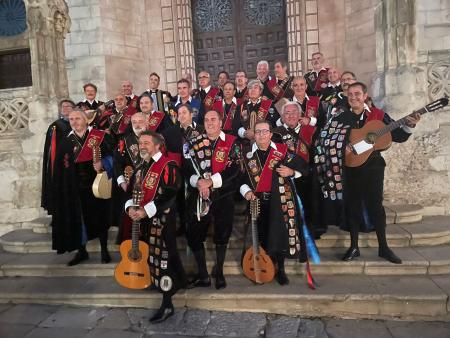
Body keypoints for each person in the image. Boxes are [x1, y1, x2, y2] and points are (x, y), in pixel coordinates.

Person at [313, 82, 420, 264]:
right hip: (350, 168)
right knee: (352, 206)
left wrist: (410, 125)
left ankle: (384, 248)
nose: (353, 97)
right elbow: (327, 139)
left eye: (357, 94)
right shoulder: (340, 117)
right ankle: (354, 247)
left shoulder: (378, 116)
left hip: (373, 168)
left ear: (364, 96)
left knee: (375, 207)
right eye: (350, 95)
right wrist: (342, 149)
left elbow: (399, 136)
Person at [125, 130, 186, 323]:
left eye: (146, 143)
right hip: (144, 221)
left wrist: (146, 211)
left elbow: (170, 194)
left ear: (158, 145)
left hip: (163, 220)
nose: (142, 146)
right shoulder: (141, 166)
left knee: (163, 259)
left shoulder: (168, 166)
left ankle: (167, 304)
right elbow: (131, 191)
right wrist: (130, 208)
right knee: (153, 258)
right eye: (140, 143)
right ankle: (174, 282)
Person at [240, 121, 309, 285]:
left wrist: (292, 172)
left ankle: (281, 270)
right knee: (262, 236)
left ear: (271, 134)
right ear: (254, 135)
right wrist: (246, 191)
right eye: (258, 132)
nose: (261, 135)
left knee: (279, 236)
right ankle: (265, 267)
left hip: (280, 200)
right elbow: (241, 178)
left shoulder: (283, 151)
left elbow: (304, 167)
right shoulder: (247, 153)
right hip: (257, 201)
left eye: (265, 131)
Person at [183, 110, 241, 290]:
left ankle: (220, 271)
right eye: (206, 120)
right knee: (193, 234)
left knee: (222, 234)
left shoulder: (232, 142)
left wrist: (211, 182)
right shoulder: (193, 143)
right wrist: (199, 182)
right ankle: (203, 274)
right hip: (199, 195)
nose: (209, 122)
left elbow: (234, 169)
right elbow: (186, 168)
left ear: (221, 122)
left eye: (213, 119)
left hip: (223, 195)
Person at [51, 108, 113, 265]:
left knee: (100, 219)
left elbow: (114, 157)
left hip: (97, 186)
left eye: (78, 118)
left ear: (86, 120)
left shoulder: (99, 137)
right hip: (74, 188)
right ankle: (82, 252)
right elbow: (60, 168)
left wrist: (103, 164)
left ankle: (104, 251)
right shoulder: (65, 142)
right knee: (79, 221)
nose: (74, 122)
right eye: (71, 119)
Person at [272, 101, 317, 254]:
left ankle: (305, 243)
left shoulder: (311, 131)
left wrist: (298, 172)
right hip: (282, 180)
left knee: (307, 214)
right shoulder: (275, 133)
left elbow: (315, 157)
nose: (290, 116)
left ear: (300, 115)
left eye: (293, 113)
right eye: (287, 113)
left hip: (306, 180)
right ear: (282, 117)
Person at [162, 104, 204, 236]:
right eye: (179, 114)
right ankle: (183, 225)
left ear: (192, 114)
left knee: (195, 197)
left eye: (184, 113)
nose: (181, 116)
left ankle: (198, 224)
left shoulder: (202, 130)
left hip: (198, 172)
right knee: (180, 199)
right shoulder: (169, 132)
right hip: (178, 173)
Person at [113, 112, 147, 242]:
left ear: (146, 122)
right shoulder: (124, 141)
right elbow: (116, 163)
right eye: (134, 122)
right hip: (131, 185)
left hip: (152, 184)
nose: (138, 125)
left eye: (140, 121)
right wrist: (122, 182)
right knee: (131, 220)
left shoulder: (156, 139)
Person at [41, 99, 75, 215]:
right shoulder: (55, 126)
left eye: (68, 106)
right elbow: (51, 149)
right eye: (63, 107)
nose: (65, 108)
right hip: (59, 163)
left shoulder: (77, 123)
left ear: (73, 109)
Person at [234, 79, 275, 148]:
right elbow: (235, 125)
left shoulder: (269, 105)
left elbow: (273, 123)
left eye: (255, 88)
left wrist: (257, 133)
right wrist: (244, 133)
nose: (252, 90)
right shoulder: (241, 106)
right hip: (245, 144)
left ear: (260, 91)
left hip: (265, 142)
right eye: (250, 88)